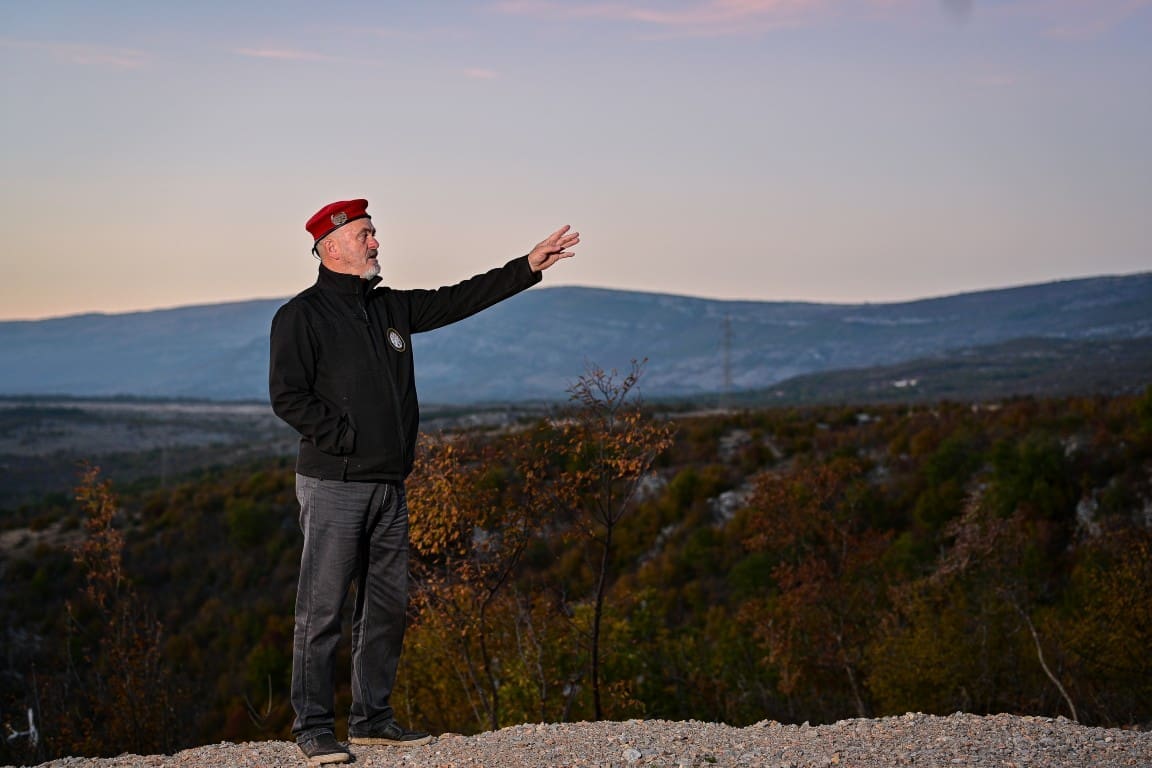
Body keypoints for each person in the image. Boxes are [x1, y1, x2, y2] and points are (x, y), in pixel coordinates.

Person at [268, 199, 578, 766]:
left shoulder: (390, 307)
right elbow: (288, 396)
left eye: (373, 232)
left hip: (390, 483)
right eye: (364, 234)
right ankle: (313, 727)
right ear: (330, 247)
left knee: (386, 607)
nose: (375, 242)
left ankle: (371, 719)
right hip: (335, 482)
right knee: (322, 611)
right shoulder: (301, 316)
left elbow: (459, 299)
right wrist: (345, 438)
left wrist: (527, 266)